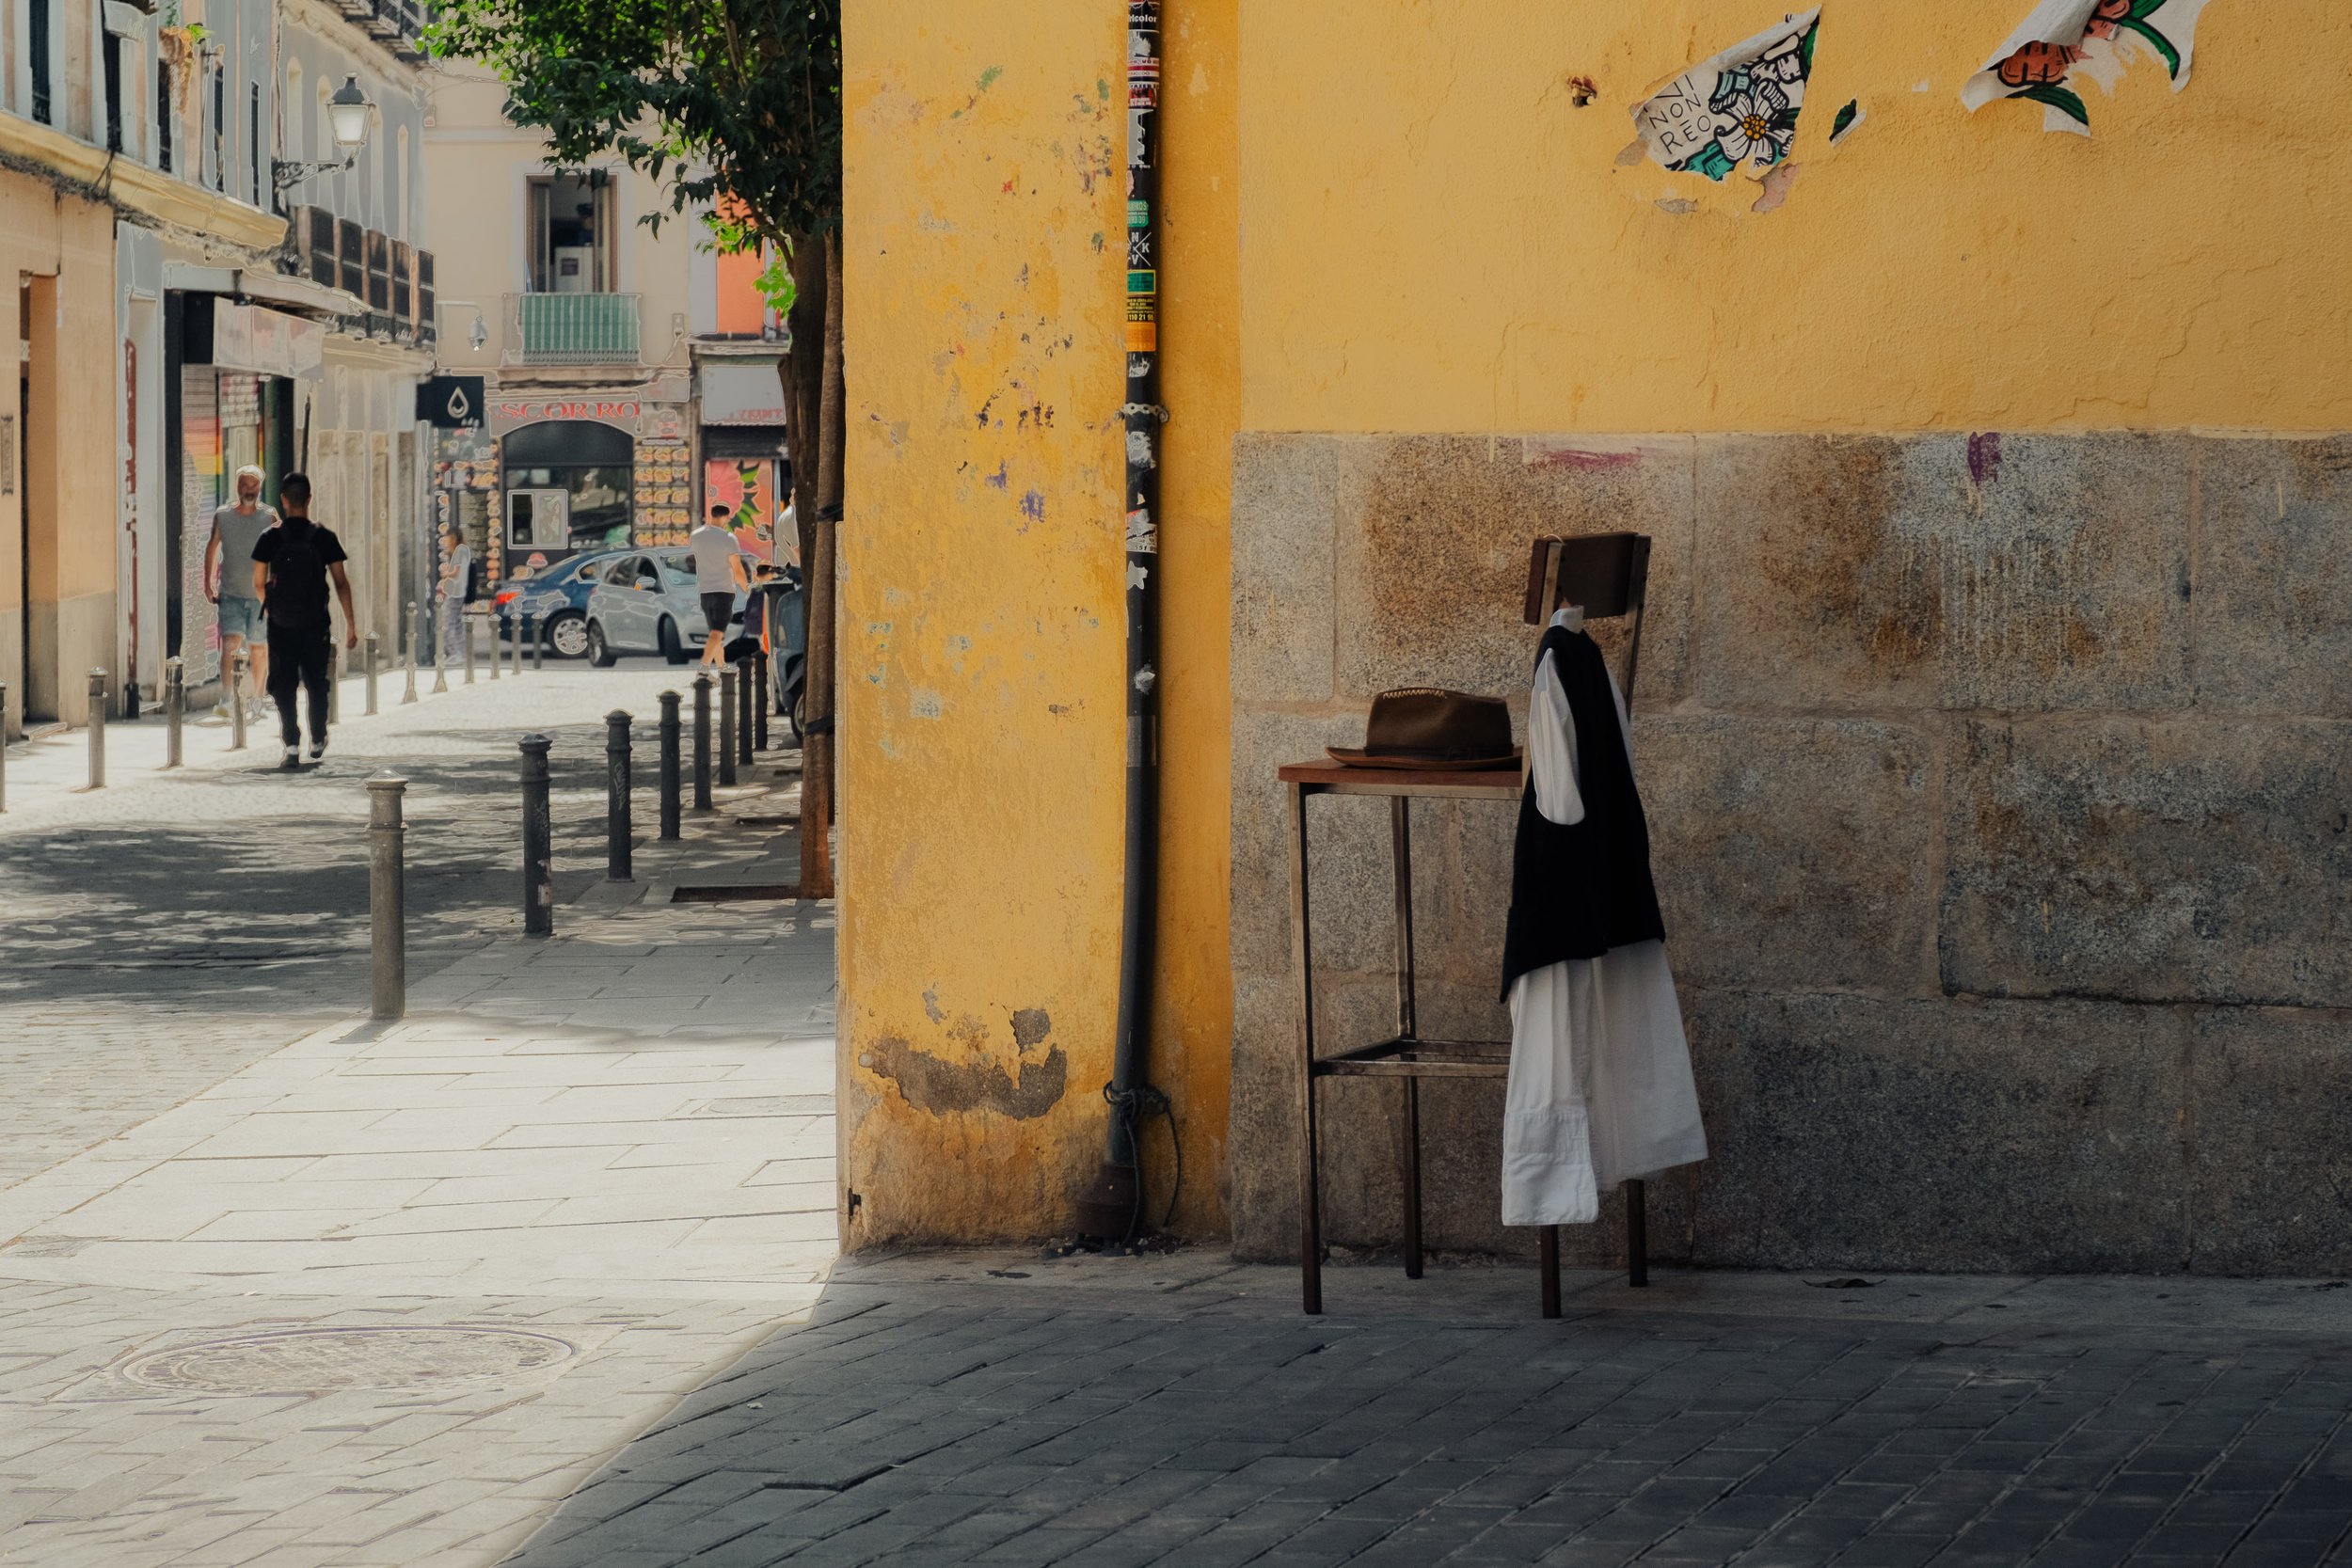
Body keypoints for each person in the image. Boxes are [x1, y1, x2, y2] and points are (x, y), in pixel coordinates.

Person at [250, 473, 358, 768]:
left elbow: (258, 581)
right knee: (316, 681)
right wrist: (351, 624)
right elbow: (341, 582)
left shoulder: (270, 537)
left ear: (283, 500)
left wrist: (271, 608)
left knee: (283, 684)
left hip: (281, 625)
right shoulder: (324, 537)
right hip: (315, 623)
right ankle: (319, 736)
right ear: (309, 499)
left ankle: (292, 743)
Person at [201, 466, 279, 720]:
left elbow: (281, 551)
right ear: (237, 486)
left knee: (259, 648)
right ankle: (227, 698)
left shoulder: (269, 516)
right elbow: (212, 547)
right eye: (245, 484)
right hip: (231, 593)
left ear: (260, 487)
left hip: (260, 596)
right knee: (230, 645)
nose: (249, 489)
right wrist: (208, 582)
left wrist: (277, 584)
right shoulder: (223, 516)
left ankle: (257, 699)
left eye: (253, 485)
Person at [690, 502, 752, 666]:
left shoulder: (696, 536)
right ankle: (703, 669)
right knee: (717, 633)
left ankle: (722, 668)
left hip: (704, 591)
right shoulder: (728, 538)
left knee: (715, 633)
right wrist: (748, 589)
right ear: (725, 517)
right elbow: (737, 568)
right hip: (723, 590)